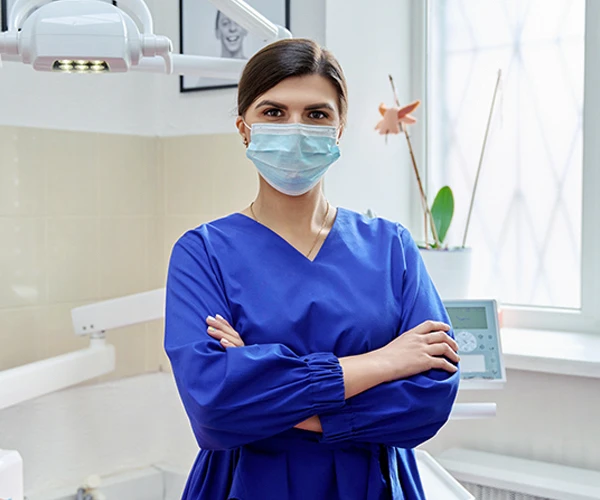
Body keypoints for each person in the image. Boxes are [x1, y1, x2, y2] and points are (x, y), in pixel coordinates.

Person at [165, 38, 460, 500]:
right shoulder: (202, 253)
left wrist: (265, 388)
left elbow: (429, 398)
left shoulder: (391, 248)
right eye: (274, 112)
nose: (295, 129)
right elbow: (215, 407)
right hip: (247, 484)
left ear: (339, 129)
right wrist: (383, 362)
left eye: (317, 114)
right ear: (245, 129)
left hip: (375, 484)